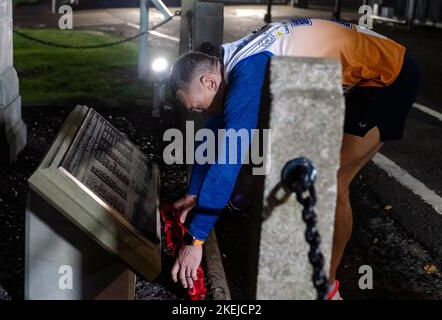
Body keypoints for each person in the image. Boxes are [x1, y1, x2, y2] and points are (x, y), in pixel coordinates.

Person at [168, 18, 420, 299]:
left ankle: (327, 289)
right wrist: (194, 193)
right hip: (359, 77)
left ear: (209, 82)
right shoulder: (231, 58)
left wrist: (196, 239)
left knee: (333, 183)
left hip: (390, 76)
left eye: (198, 107)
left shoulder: (248, 73)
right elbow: (214, 130)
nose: (200, 113)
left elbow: (229, 158)